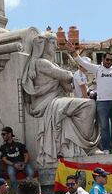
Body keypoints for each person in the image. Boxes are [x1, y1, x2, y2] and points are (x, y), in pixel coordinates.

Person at [22, 31, 100, 165]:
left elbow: (68, 87)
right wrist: (71, 75)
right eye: (53, 43)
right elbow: (67, 76)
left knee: (89, 106)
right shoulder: (41, 63)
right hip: (47, 103)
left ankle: (80, 144)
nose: (56, 47)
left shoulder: (51, 64)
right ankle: (87, 146)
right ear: (44, 45)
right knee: (89, 105)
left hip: (57, 100)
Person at [68, 45, 112, 155]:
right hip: (102, 102)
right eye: (108, 60)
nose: (110, 62)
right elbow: (82, 62)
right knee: (104, 126)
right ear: (103, 60)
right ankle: (106, 148)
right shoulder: (97, 69)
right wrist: (74, 52)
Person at [0, 126, 34, 194]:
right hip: (12, 165)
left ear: (9, 134)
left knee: (31, 172)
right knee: (11, 174)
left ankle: (26, 189)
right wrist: (13, 164)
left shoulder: (19, 144)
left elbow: (26, 155)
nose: (2, 136)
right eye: (2, 134)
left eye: (4, 134)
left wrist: (24, 163)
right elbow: (4, 159)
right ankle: (18, 193)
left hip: (22, 163)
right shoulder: (3, 147)